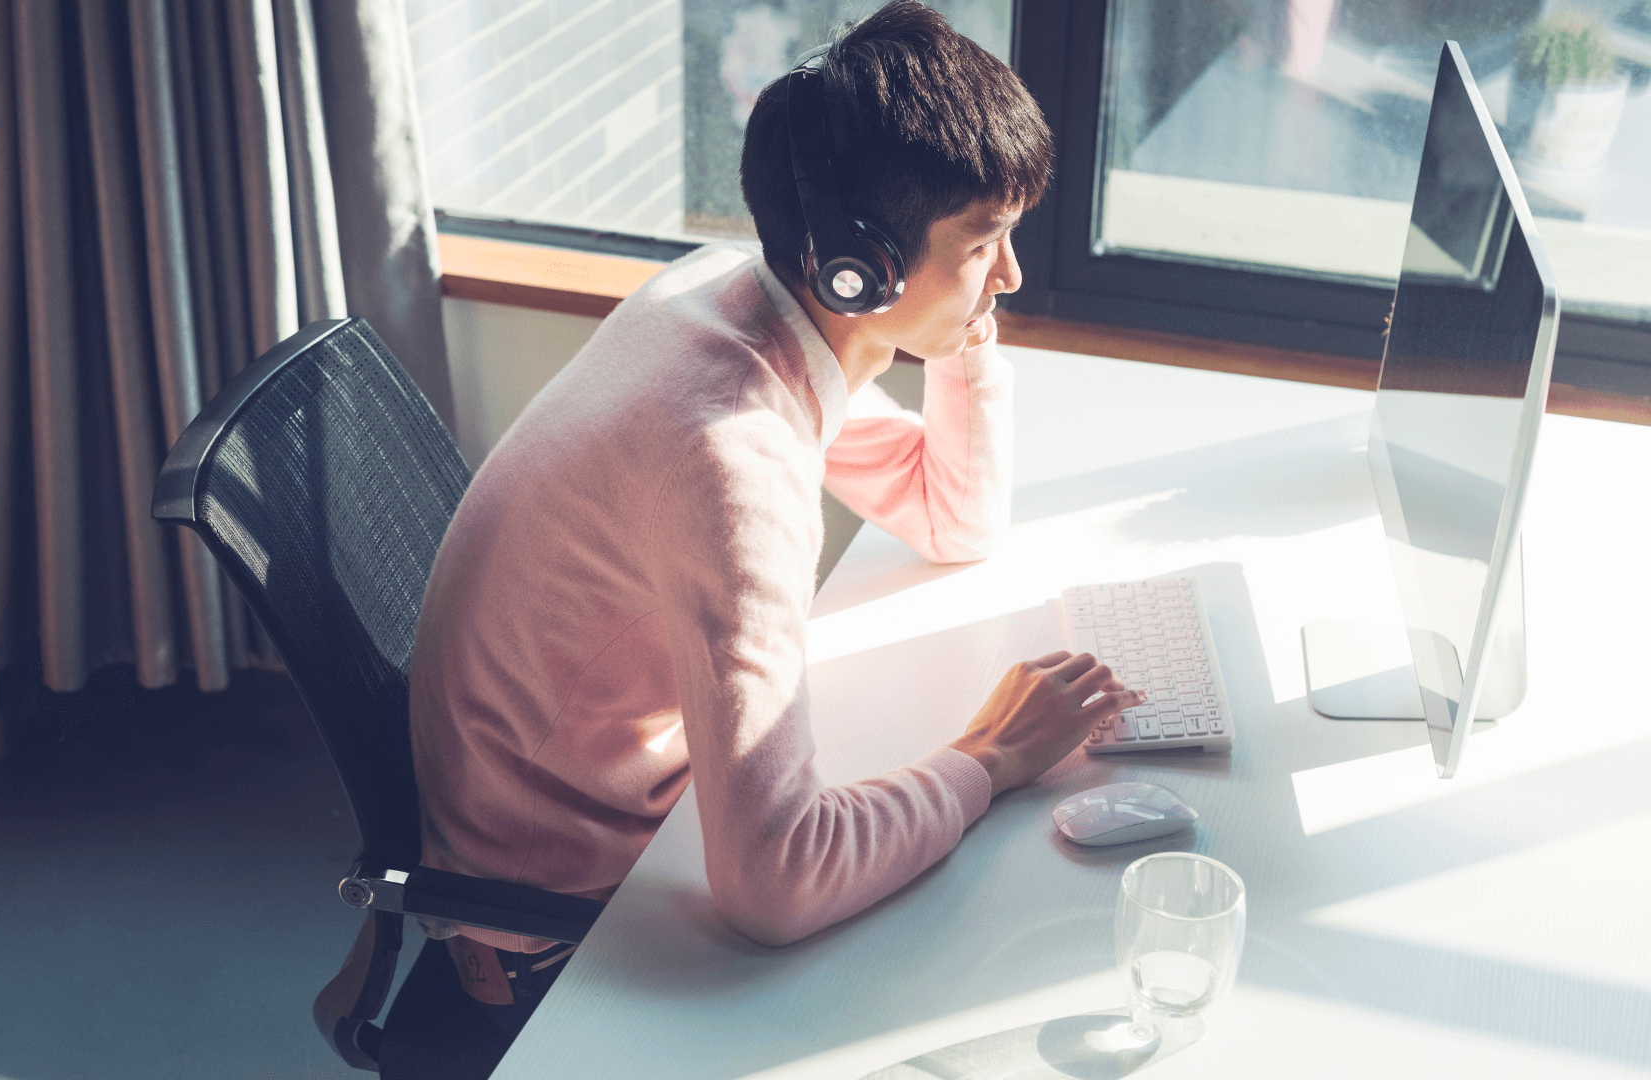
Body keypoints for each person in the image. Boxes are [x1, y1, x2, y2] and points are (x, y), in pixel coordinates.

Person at [375, 3, 1143, 1075]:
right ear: (858, 274)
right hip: (555, 928)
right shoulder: (729, 452)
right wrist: (992, 759)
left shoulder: (732, 298)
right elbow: (773, 887)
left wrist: (958, 329)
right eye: (983, 244)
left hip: (641, 810)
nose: (1010, 275)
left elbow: (955, 520)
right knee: (964, 1000)